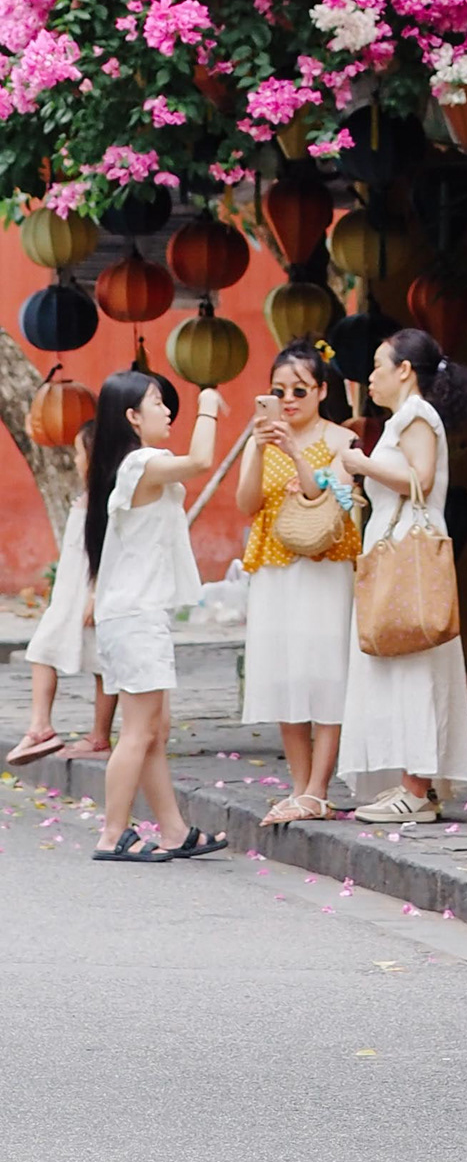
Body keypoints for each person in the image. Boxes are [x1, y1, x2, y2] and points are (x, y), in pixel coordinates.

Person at [337, 327, 467, 826]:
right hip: (397, 551)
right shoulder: (403, 418)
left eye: (378, 366)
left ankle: (417, 789)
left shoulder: (417, 414)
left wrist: (362, 464)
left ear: (404, 371)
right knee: (400, 668)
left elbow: (420, 479)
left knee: (414, 667)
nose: (370, 377)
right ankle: (414, 785)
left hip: (409, 557)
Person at [86, 369, 229, 862]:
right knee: (140, 731)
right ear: (132, 417)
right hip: (136, 618)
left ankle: (173, 830)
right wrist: (207, 402)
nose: (168, 411)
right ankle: (113, 833)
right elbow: (202, 460)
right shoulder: (141, 462)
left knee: (153, 730)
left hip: (135, 615)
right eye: (157, 402)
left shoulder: (134, 464)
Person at [236, 340, 362, 825]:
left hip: (324, 567)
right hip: (274, 567)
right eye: (278, 391)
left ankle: (318, 790)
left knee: (326, 673)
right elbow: (246, 503)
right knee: (285, 676)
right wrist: (257, 448)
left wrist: (294, 451)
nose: (287, 400)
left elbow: (326, 497)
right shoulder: (262, 439)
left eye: (299, 390)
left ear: (322, 391)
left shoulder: (341, 439)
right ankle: (299, 787)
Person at [9, 420, 117, 767]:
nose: (76, 460)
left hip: (87, 592)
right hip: (69, 593)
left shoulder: (107, 501)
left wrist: (96, 595)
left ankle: (90, 735)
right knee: (45, 650)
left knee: (98, 662)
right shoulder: (90, 496)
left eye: (80, 453)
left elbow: (106, 551)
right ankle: (45, 727)